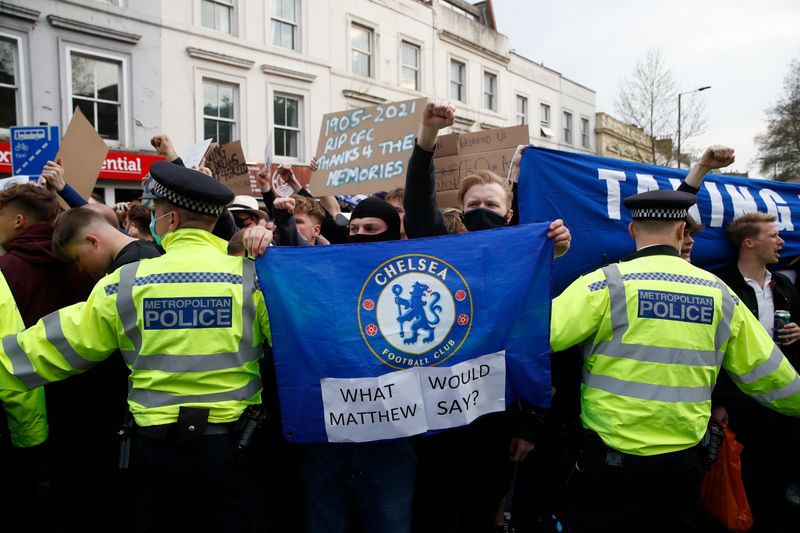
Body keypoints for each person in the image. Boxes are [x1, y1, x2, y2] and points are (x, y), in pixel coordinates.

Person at [0, 161, 273, 532]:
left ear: (170, 220)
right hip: (234, 450)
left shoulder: (125, 283)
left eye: (157, 213)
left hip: (158, 455)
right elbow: (300, 346)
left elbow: (50, 348)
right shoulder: (253, 279)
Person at [550, 189, 800, 533]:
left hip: (611, 464)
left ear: (633, 231)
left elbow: (538, 336)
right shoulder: (720, 293)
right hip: (681, 468)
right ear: (682, 231)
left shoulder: (605, 284)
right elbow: (772, 375)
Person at [300, 196, 415, 533]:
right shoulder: (325, 275)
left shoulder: (408, 282)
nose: (361, 234)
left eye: (371, 229)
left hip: (392, 433)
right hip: (329, 433)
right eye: (354, 228)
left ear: (391, 233)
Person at [713, 211, 800, 532]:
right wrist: (717, 401)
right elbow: (711, 349)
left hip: (780, 407)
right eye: (773, 235)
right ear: (749, 242)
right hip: (738, 408)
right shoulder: (721, 286)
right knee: (739, 486)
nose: (781, 242)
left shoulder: (785, 288)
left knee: (774, 486)